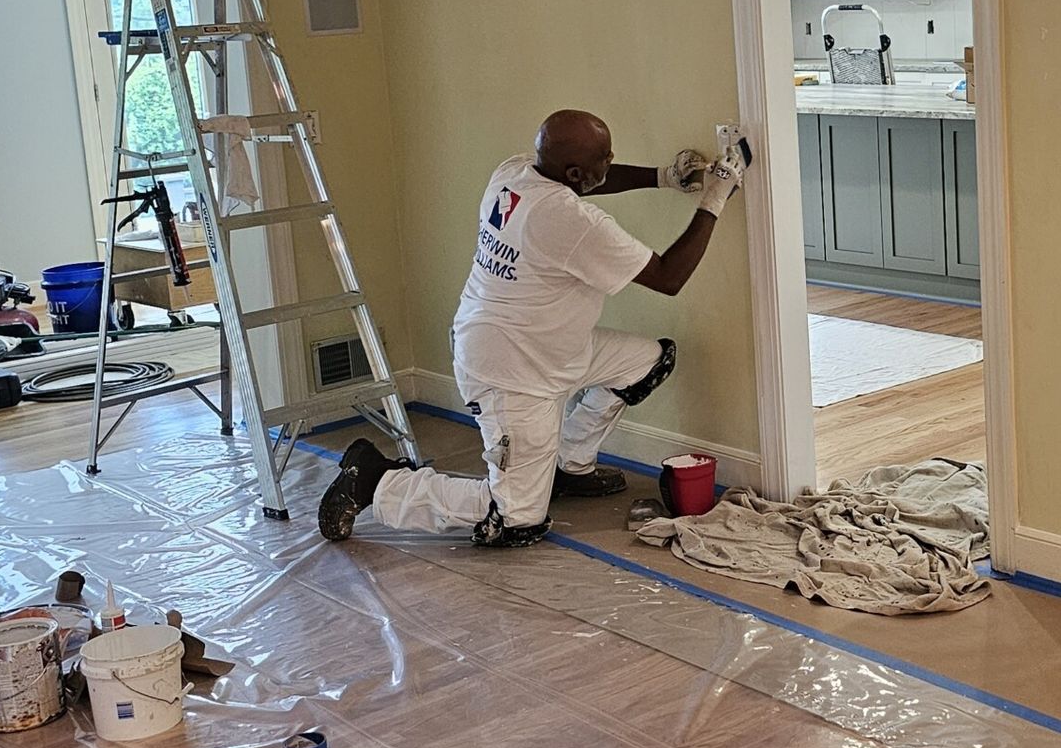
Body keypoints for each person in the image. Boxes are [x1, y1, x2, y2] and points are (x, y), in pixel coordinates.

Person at [317, 109, 744, 548]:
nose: (611, 161)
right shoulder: (572, 222)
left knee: (648, 363)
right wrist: (714, 198)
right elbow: (670, 277)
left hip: (548, 345)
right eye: (604, 157)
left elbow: (592, 179)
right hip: (511, 373)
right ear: (575, 173)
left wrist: (664, 177)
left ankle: (568, 465)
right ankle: (376, 482)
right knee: (516, 519)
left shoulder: (516, 171)